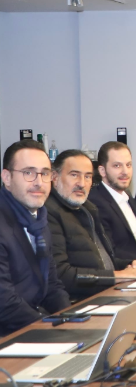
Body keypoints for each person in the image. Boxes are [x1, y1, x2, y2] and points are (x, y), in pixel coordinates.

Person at [45, 150, 136, 299]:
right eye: (74, 175)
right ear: (54, 177)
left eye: (87, 176)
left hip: (108, 291)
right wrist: (121, 276)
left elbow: (107, 262)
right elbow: (62, 275)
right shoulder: (49, 213)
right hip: (82, 300)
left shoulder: (87, 209)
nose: (82, 183)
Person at [0, 140, 70, 335]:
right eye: (28, 173)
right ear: (7, 178)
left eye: (45, 173)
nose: (39, 182)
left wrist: (71, 320)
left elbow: (52, 285)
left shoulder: (39, 220)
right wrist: (51, 331)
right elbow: (4, 303)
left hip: (32, 324)